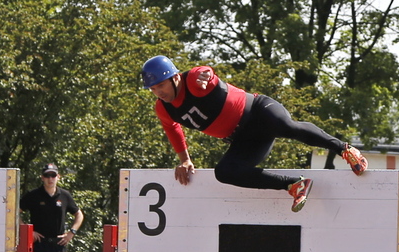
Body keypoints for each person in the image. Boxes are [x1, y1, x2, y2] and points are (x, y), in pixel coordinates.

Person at [142, 57, 367, 213]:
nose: (159, 92)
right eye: (153, 89)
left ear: (175, 78)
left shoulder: (191, 80)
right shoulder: (163, 108)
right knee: (225, 172)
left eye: (161, 85)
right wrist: (185, 160)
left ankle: (344, 149)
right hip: (245, 138)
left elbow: (205, 71)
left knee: (287, 127)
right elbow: (173, 129)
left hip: (258, 111)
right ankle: (294, 186)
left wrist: (204, 75)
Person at [21, 164, 82, 252]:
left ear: (58, 177)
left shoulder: (64, 195)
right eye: (47, 176)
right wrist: (29, 232)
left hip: (58, 243)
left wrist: (71, 233)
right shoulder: (33, 195)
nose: (50, 179)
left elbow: (79, 214)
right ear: (42, 178)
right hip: (39, 244)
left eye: (53, 175)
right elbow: (14, 213)